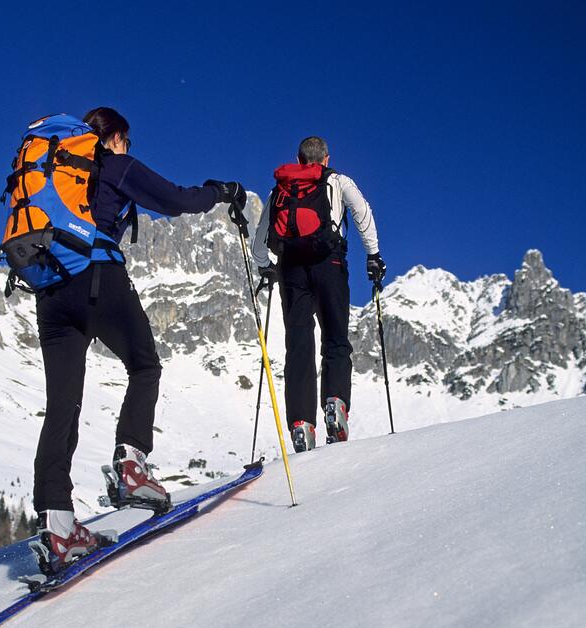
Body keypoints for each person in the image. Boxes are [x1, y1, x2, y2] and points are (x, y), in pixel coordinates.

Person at [33, 106, 246, 568]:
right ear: (114, 138)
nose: (129, 148)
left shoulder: (51, 174)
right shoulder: (113, 165)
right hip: (96, 277)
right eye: (127, 141)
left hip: (49, 291)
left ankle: (58, 527)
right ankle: (132, 465)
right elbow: (175, 200)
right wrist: (219, 191)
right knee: (145, 365)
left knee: (62, 406)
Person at [251, 136, 386, 453]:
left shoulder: (280, 189)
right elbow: (362, 212)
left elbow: (261, 235)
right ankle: (336, 404)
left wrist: (264, 266)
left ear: (298, 160)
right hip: (330, 263)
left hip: (291, 268)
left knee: (298, 344)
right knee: (336, 338)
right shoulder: (337, 181)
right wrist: (373, 255)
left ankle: (301, 423)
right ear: (326, 158)